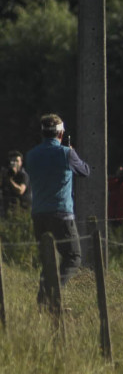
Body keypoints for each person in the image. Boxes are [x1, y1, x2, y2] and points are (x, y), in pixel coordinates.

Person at [24, 114, 90, 304]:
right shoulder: (66, 153)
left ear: (43, 133)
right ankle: (52, 293)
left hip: (38, 214)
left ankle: (43, 299)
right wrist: (72, 152)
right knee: (73, 256)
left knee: (48, 258)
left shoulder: (31, 155)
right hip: (62, 213)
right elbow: (85, 171)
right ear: (60, 133)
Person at [2, 151, 31, 216]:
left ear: (21, 163)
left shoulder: (23, 175)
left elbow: (20, 191)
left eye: (16, 161)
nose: (14, 163)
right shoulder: (6, 174)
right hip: (8, 209)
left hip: (22, 209)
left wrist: (10, 180)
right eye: (12, 161)